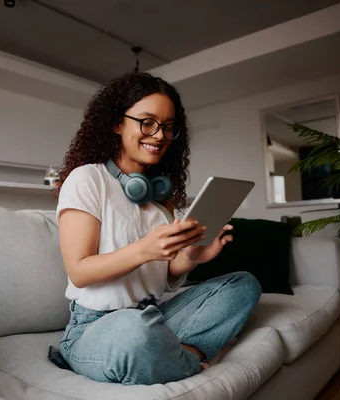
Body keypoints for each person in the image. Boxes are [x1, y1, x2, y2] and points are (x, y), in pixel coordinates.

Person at [54, 72, 261, 386]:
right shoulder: (87, 180)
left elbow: (166, 279)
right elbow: (79, 271)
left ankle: (171, 354)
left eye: (167, 126)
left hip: (153, 316)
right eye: (147, 122)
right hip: (97, 327)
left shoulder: (160, 198)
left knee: (244, 285)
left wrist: (192, 256)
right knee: (134, 334)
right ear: (116, 123)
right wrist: (144, 249)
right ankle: (187, 357)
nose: (160, 135)